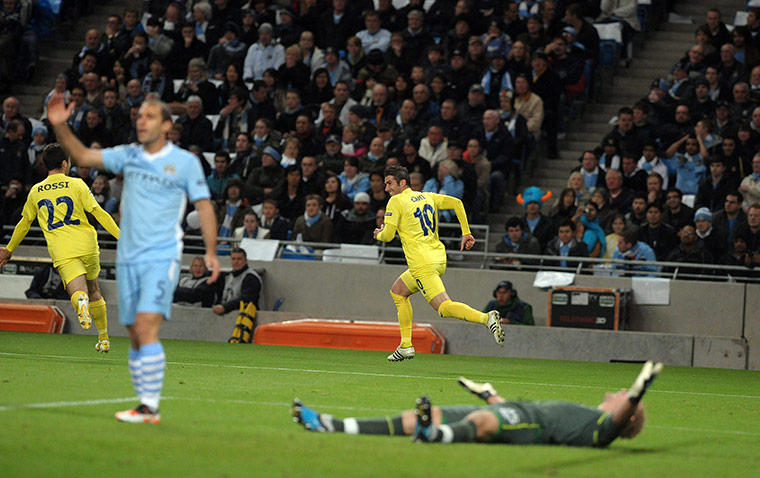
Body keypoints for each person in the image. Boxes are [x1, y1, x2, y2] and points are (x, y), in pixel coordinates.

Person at [45, 92, 220, 424]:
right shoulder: (128, 155)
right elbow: (82, 154)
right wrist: (60, 125)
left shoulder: (185, 162)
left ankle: (149, 407)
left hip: (161, 254)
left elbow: (205, 206)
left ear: (167, 125)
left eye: (150, 116)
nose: (141, 120)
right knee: (134, 331)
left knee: (145, 325)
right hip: (128, 256)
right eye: (139, 115)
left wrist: (211, 251)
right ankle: (144, 404)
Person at [293, 361, 663, 448]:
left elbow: (621, 418)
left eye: (621, 398)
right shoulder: (589, 416)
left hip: (529, 425)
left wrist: (639, 389)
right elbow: (503, 408)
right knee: (431, 411)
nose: (616, 394)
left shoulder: (599, 429)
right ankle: (333, 424)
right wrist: (487, 392)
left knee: (485, 421)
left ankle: (434, 436)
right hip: (514, 411)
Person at [374, 166, 505, 361]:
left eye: (389, 183)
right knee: (398, 292)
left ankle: (486, 318)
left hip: (422, 263)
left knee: (443, 307)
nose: (386, 188)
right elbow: (457, 203)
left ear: (402, 183)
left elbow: (388, 235)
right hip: (437, 258)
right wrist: (466, 232)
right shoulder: (427, 197)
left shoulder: (396, 201)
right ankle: (406, 345)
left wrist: (379, 234)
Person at [0, 144, 120, 353]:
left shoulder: (36, 191)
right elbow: (99, 212)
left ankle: (80, 302)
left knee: (77, 290)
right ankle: (103, 338)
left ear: (45, 165)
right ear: (65, 164)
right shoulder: (77, 184)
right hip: (87, 243)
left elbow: (24, 224)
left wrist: (9, 249)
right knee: (94, 290)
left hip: (62, 248)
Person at [212, 247, 262, 315]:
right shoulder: (228, 276)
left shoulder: (251, 278)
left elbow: (246, 300)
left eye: (239, 259)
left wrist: (225, 307)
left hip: (246, 318)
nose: (236, 262)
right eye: (233, 259)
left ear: (246, 260)